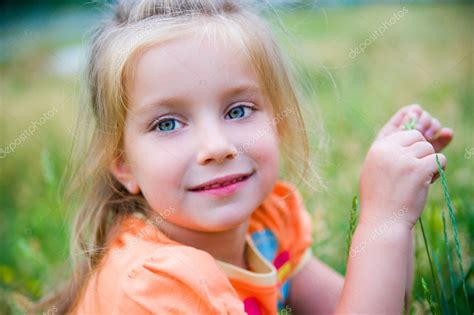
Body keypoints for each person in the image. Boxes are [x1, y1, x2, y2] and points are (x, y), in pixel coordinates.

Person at [33, 0, 454, 314]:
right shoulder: (151, 289)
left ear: (279, 122)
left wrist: (397, 207)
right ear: (123, 162)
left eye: (238, 110)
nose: (217, 147)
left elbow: (373, 303)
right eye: (167, 124)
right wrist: (382, 218)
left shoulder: (269, 223)